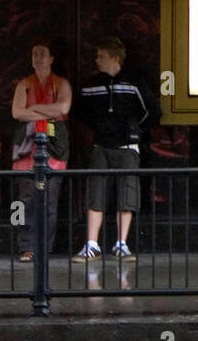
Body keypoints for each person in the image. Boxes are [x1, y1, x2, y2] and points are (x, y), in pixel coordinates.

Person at [73, 37, 159, 262]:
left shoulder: (134, 83)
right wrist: (101, 127)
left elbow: (153, 110)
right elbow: (81, 111)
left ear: (115, 57)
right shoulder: (92, 85)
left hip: (128, 146)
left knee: (127, 193)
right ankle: (92, 244)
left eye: (101, 56)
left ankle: (121, 243)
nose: (96, 60)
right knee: (96, 192)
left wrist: (133, 129)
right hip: (100, 144)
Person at [11, 39, 73, 263]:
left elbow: (64, 108)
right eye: (34, 54)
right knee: (24, 201)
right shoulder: (23, 84)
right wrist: (49, 113)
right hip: (26, 149)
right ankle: (25, 247)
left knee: (49, 201)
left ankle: (44, 248)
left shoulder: (62, 83)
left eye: (42, 54)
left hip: (54, 148)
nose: (38, 58)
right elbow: (17, 113)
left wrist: (33, 108)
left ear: (51, 59)